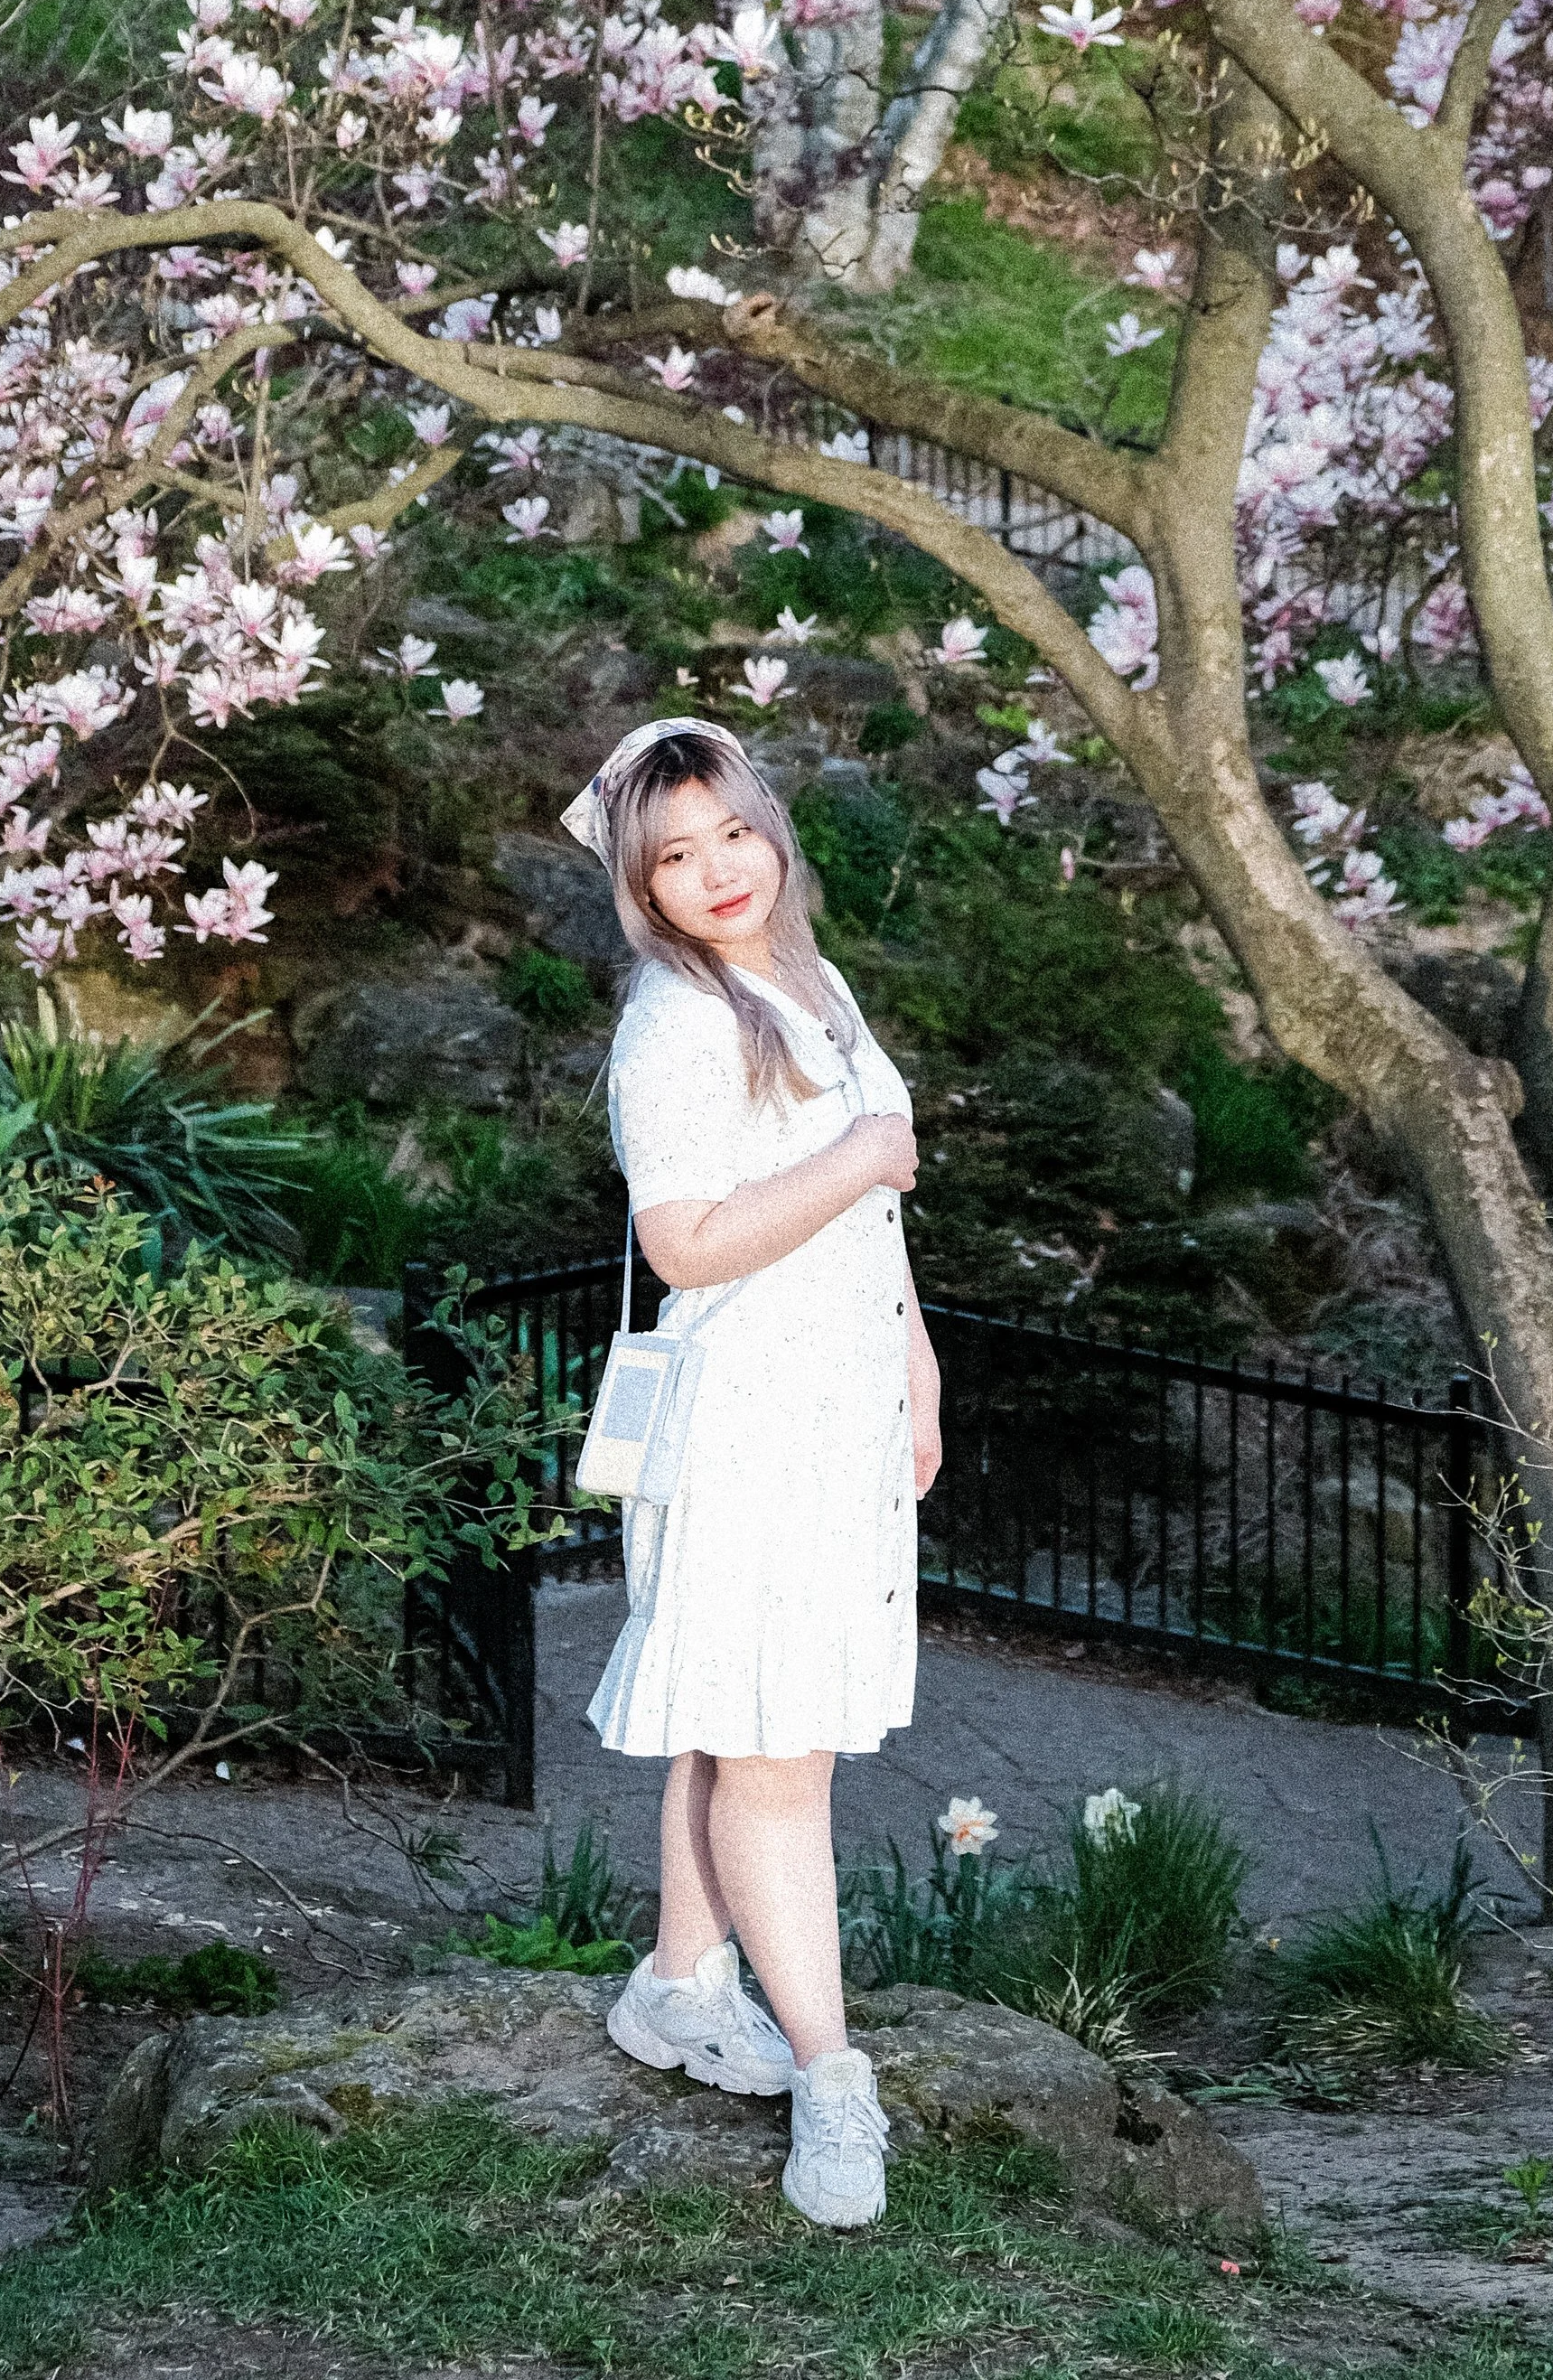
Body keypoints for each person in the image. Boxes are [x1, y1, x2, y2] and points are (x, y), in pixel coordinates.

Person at [558, 716, 942, 2230]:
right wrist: (861, 1158)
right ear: (640, 885)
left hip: (838, 1396)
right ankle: (835, 2081)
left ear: (772, 827)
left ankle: (677, 1982)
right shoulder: (678, 1020)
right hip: (752, 1418)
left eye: (732, 831)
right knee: (777, 1760)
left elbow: (876, 1218)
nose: (716, 869)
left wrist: (914, 1359)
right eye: (674, 854)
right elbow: (686, 1242)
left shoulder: (808, 980)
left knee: (746, 1721)